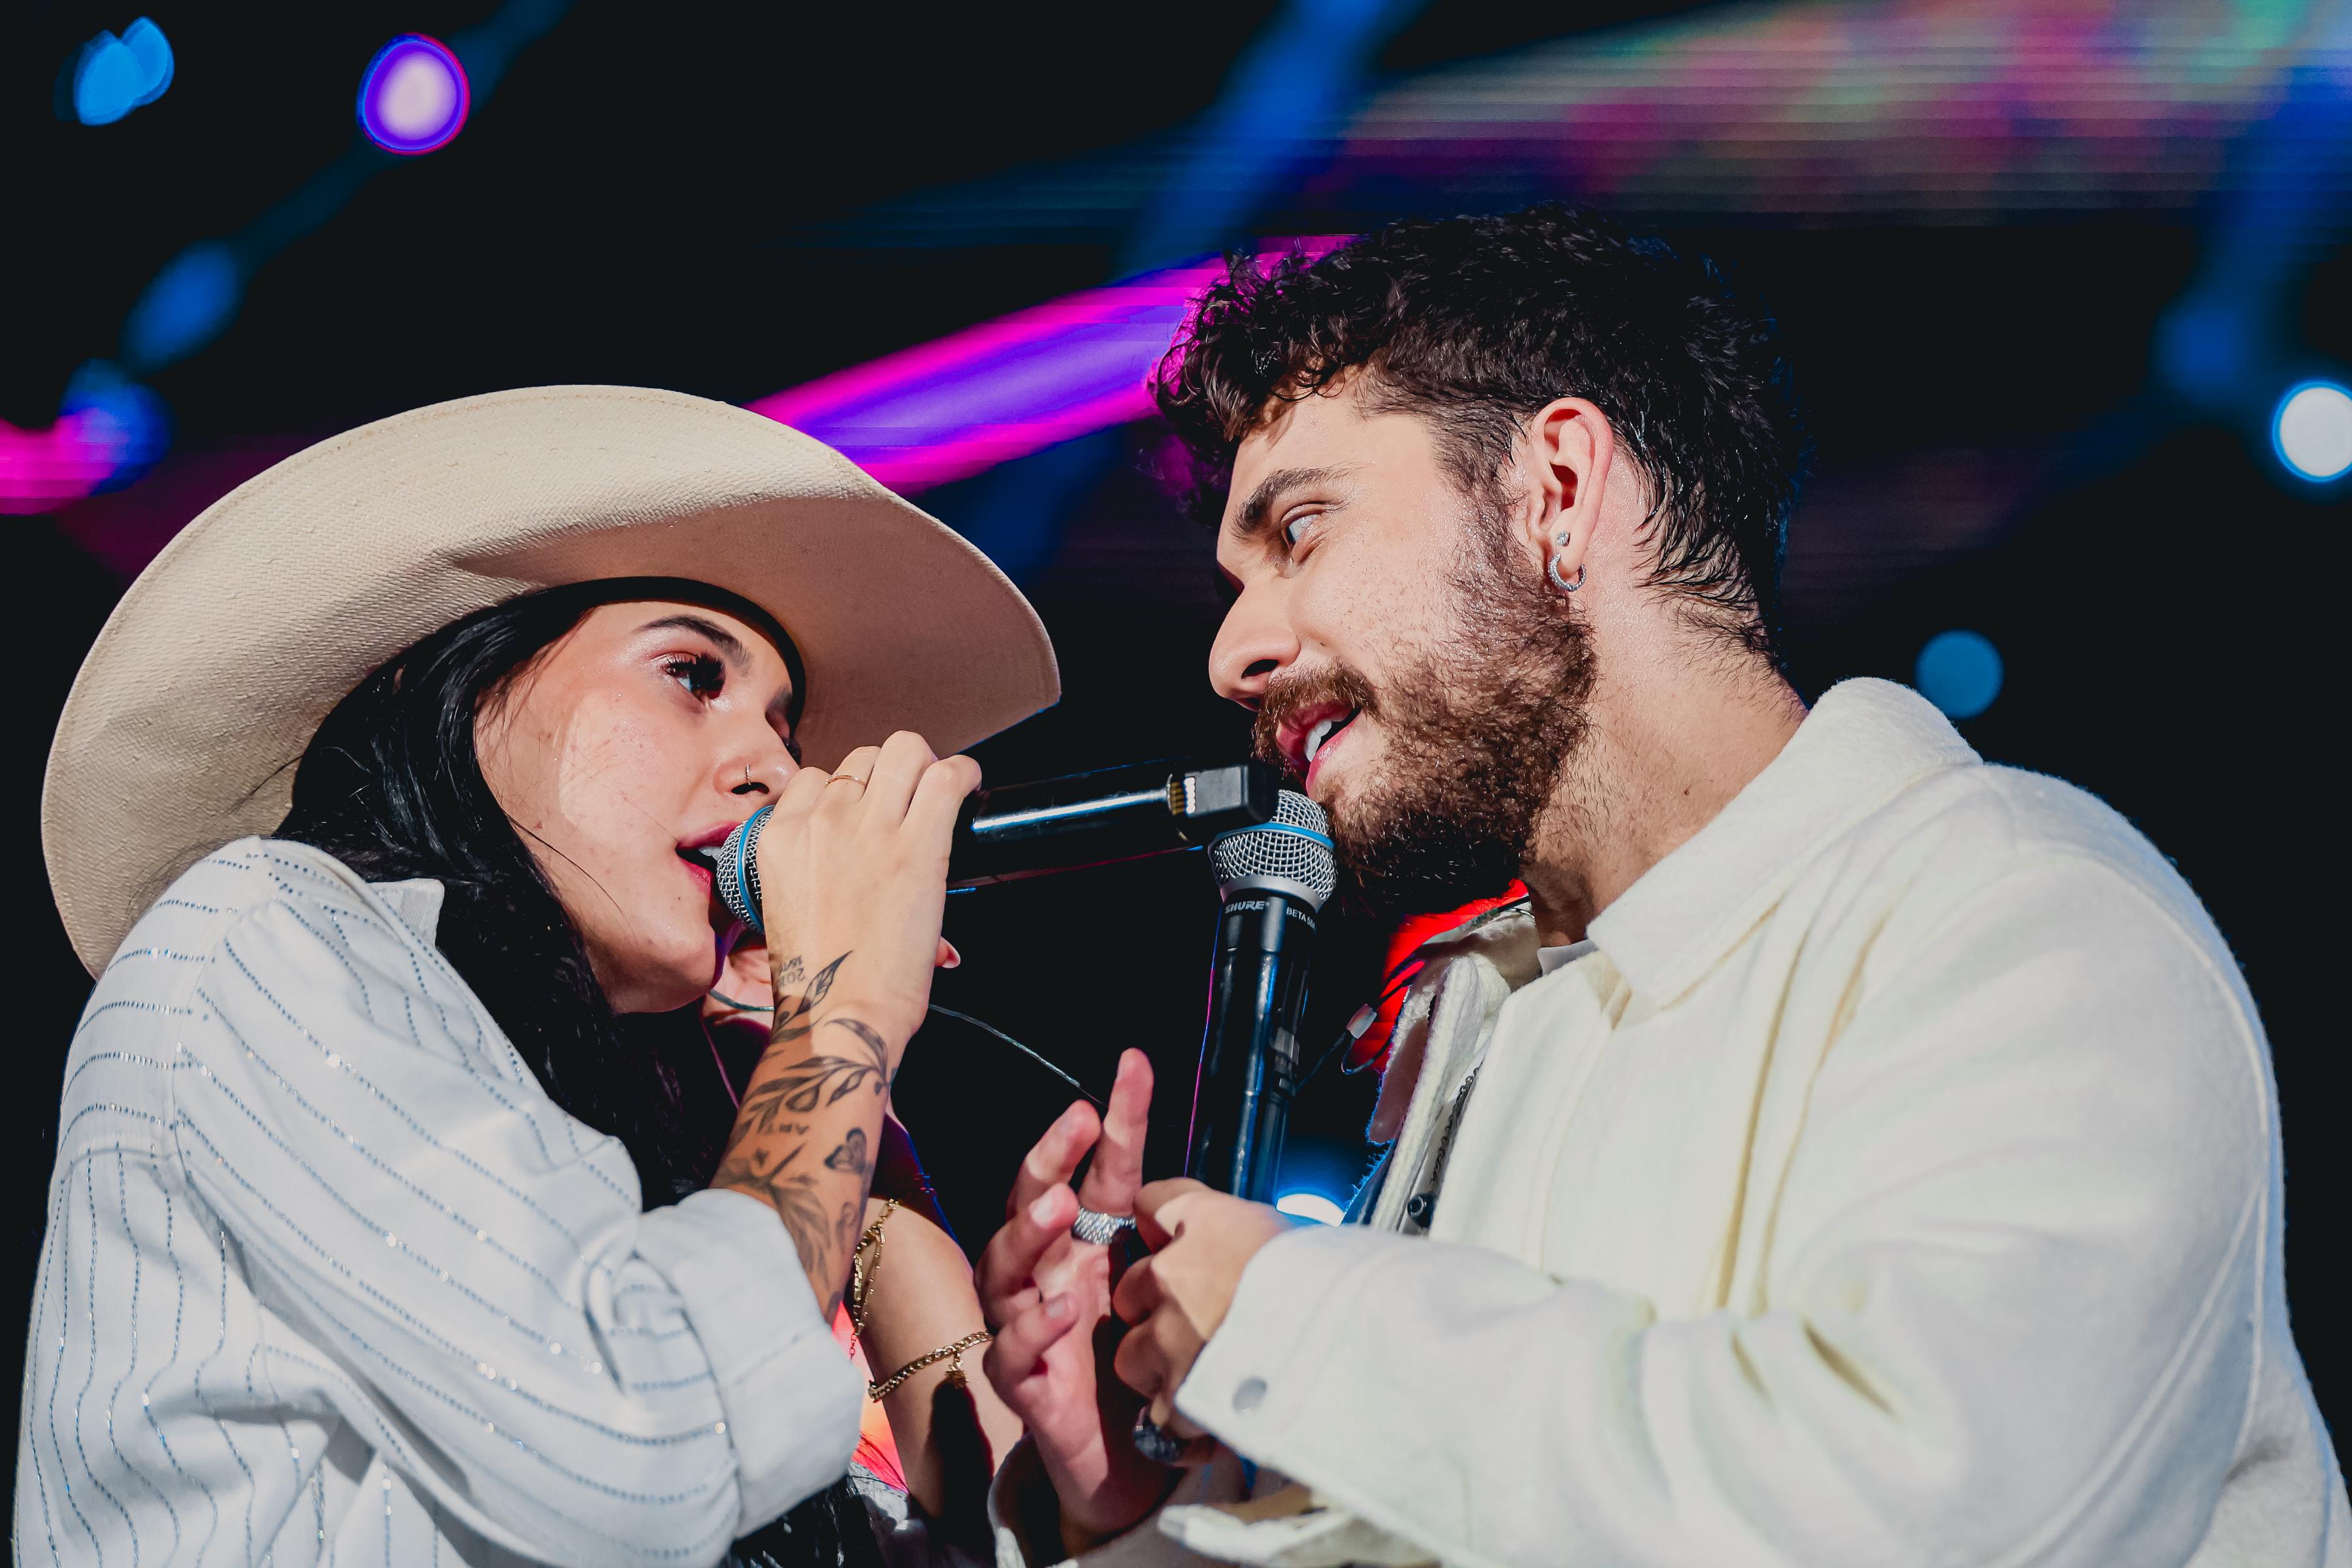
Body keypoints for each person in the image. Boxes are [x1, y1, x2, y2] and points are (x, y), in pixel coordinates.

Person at [973, 206, 2350, 1566]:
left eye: (1302, 531)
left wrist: (1298, 1320)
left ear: (1558, 489)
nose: (1234, 650)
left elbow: (1929, 1517)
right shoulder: (1488, 1022)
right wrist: (1139, 1514)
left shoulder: (2027, 920)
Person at [18, 385, 1054, 1567]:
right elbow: (639, 1443)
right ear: (451, 688)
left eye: (787, 723)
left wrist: (881, 1203)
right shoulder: (265, 929)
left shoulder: (623, 1123)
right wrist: (844, 1015)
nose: (775, 766)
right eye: (693, 674)